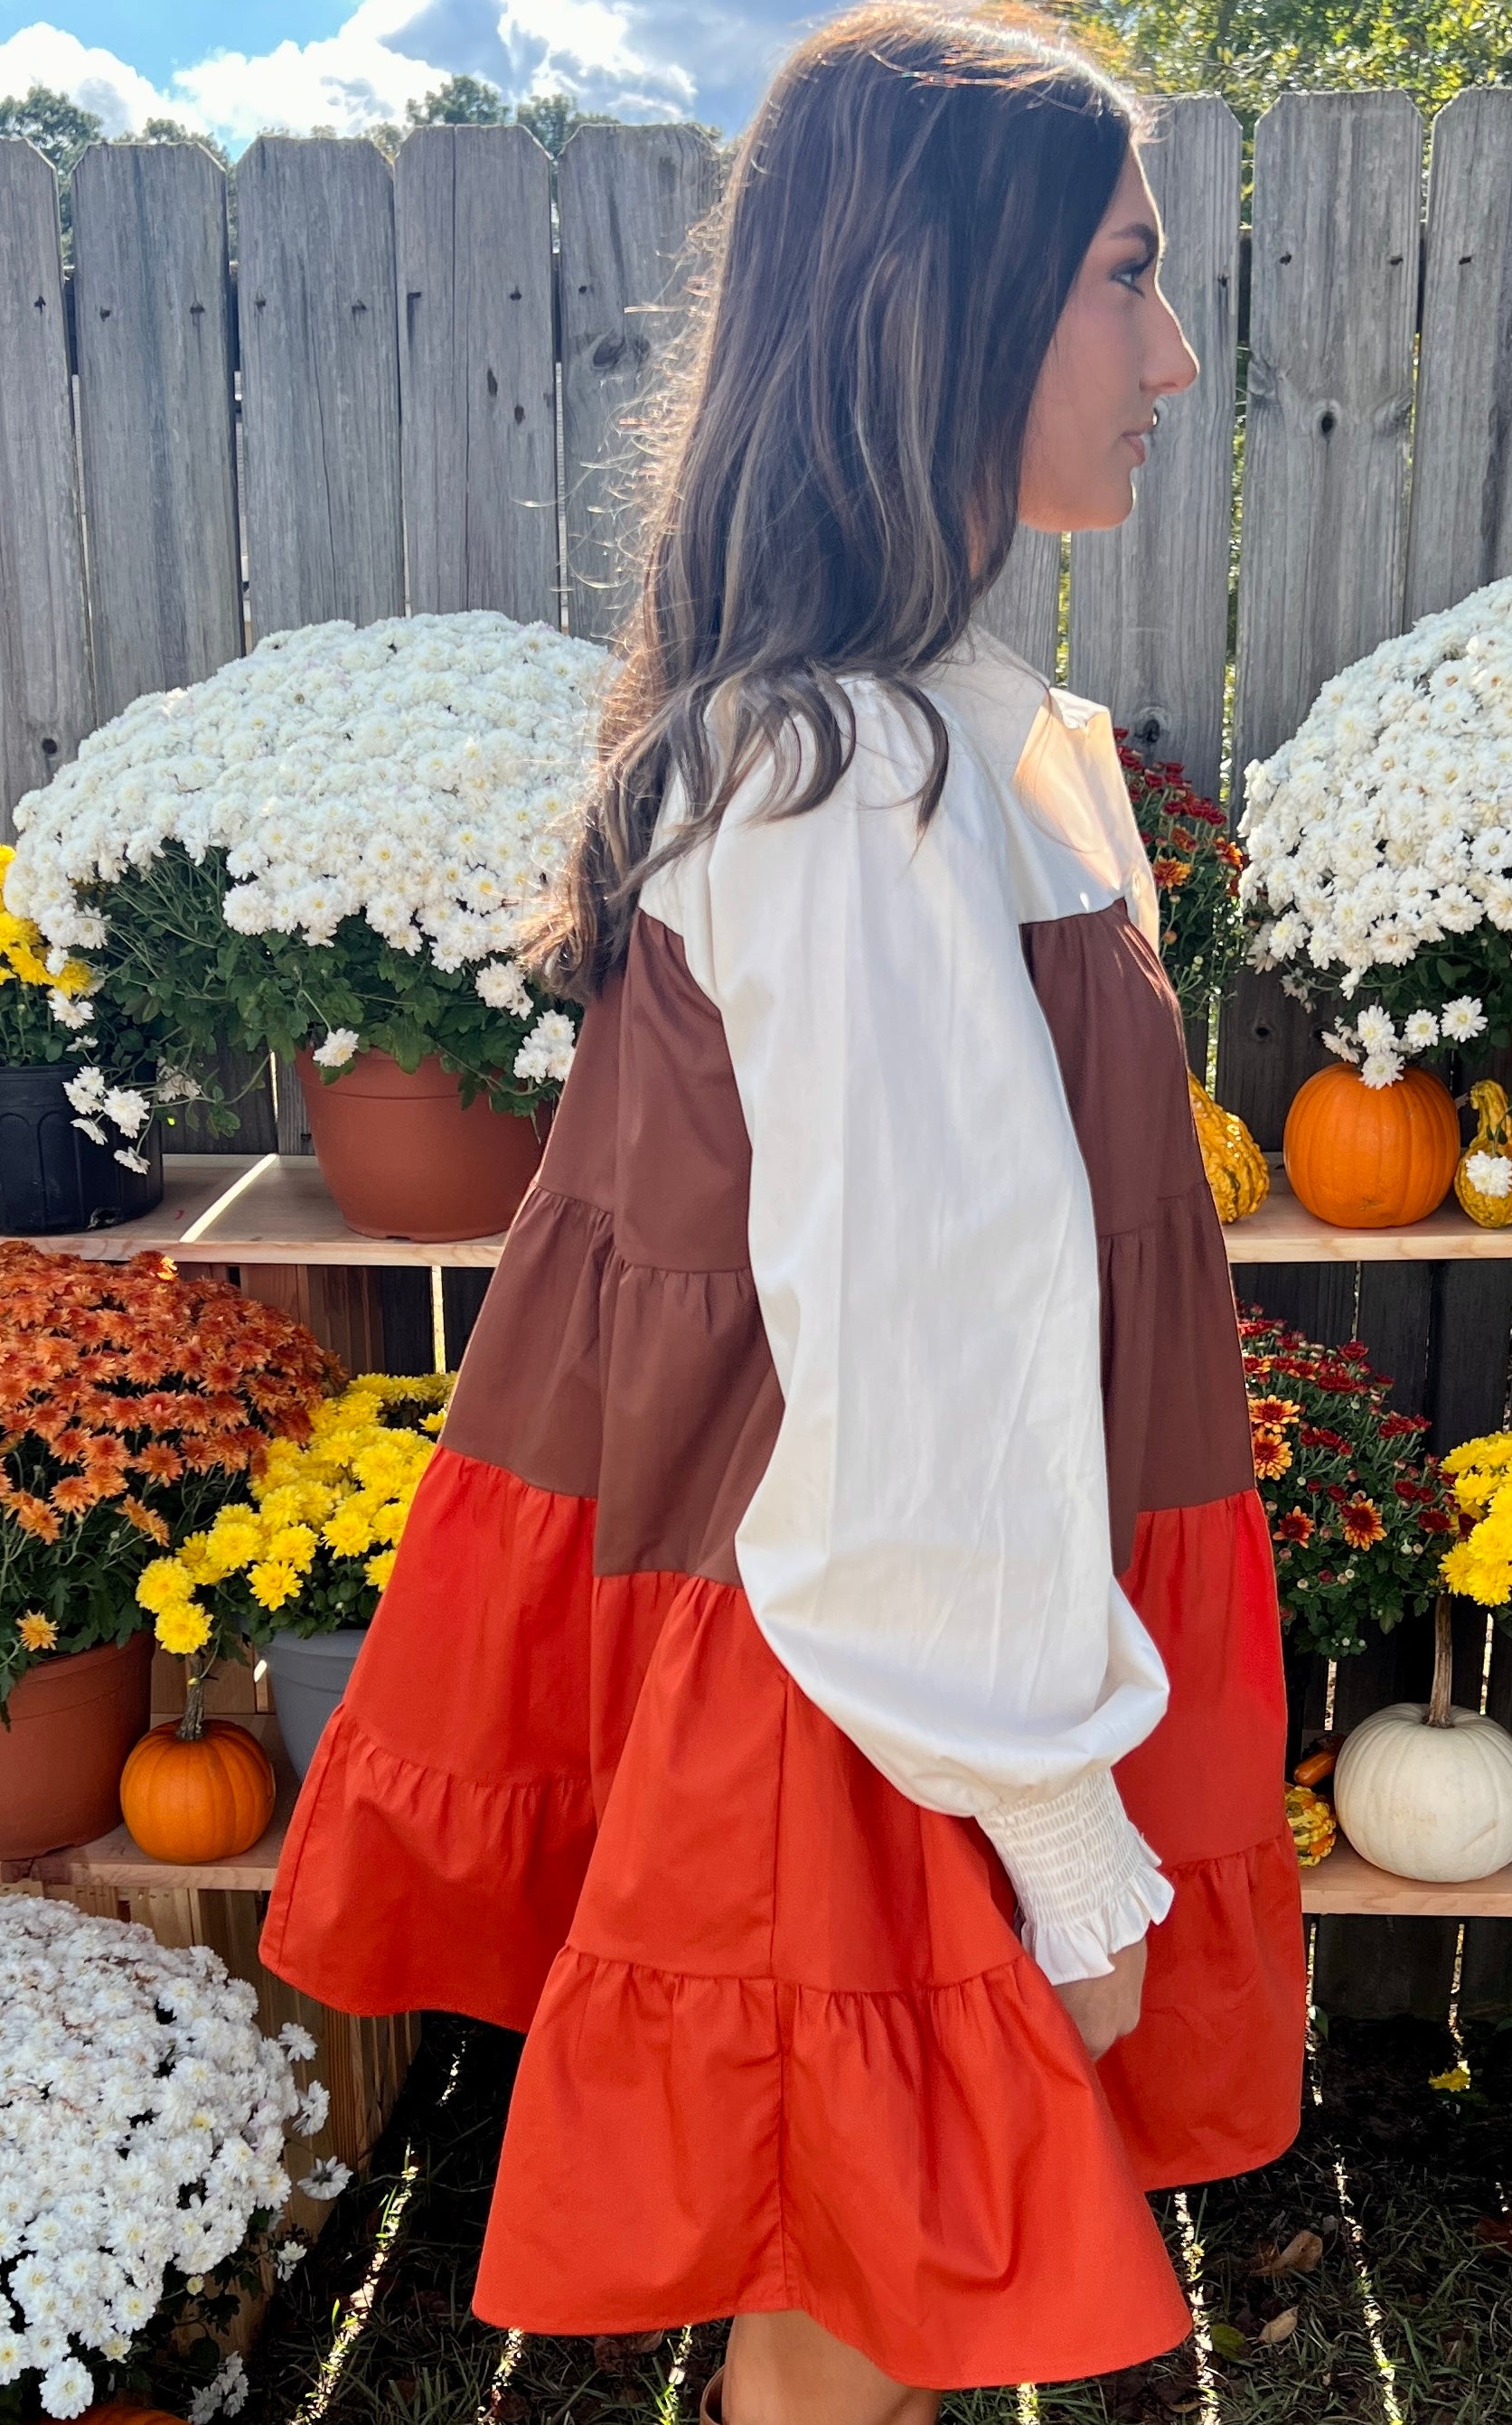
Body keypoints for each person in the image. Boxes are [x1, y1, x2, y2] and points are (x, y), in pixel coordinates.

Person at [260, 7, 1305, 2419]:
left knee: (878, 2253)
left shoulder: (948, 730)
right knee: (855, 2255)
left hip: (908, 1632)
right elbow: (927, 1337)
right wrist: (1066, 1836)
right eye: (1120, 279)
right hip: (886, 1672)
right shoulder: (850, 776)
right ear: (943, 302)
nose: (1165, 357)